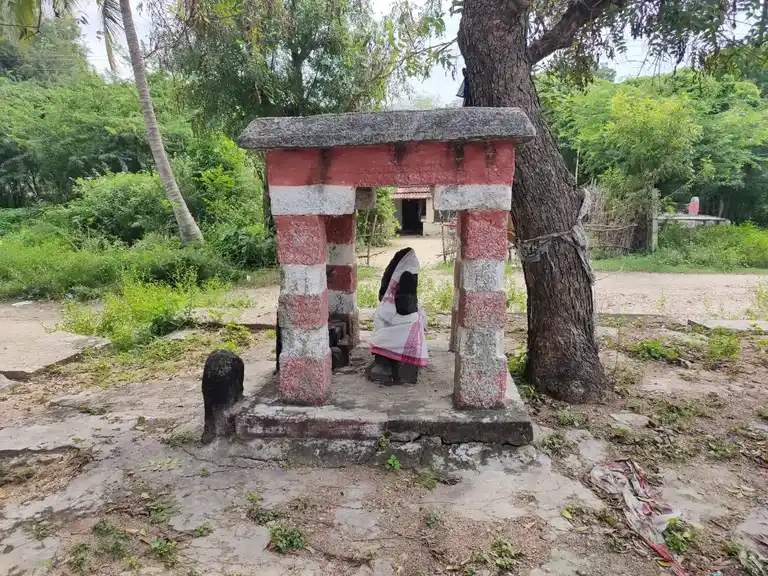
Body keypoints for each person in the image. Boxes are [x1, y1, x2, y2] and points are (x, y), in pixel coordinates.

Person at [368, 247, 428, 383]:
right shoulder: (407, 275)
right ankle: (399, 365)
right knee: (417, 323)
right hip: (398, 318)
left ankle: (385, 364)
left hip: (384, 315)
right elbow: (405, 306)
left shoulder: (394, 273)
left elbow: (383, 295)